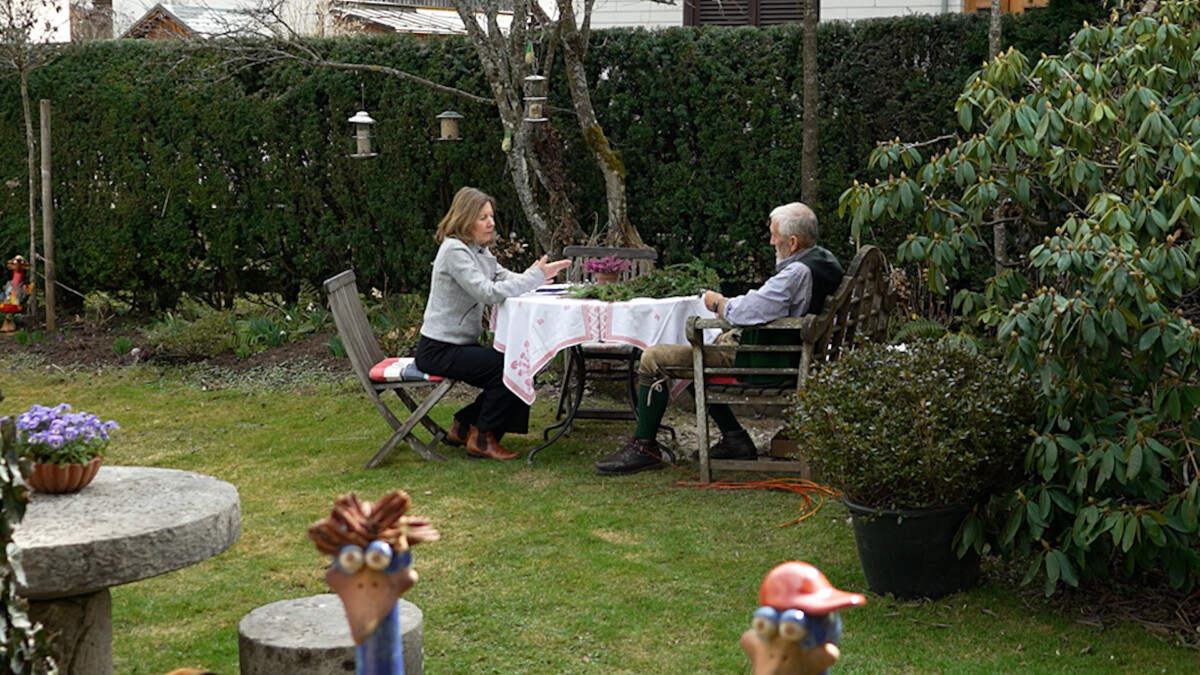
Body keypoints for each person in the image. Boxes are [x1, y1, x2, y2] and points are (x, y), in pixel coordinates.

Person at [593, 202, 843, 476]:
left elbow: (746, 312)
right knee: (694, 353)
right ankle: (735, 439)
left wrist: (717, 303)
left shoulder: (796, 273)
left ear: (792, 242)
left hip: (766, 362)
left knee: (655, 358)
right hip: (792, 353)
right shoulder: (825, 261)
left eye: (775, 236)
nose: (772, 241)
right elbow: (768, 303)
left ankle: (644, 448)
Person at [415, 187, 571, 461]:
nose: (491, 223)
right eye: (483, 217)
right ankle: (482, 438)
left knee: (515, 363)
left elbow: (503, 278)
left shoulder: (477, 250)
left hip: (456, 346)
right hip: (439, 350)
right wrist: (532, 278)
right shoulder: (454, 251)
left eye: (491, 216)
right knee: (512, 366)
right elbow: (487, 292)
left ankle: (464, 424)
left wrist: (537, 275)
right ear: (465, 219)